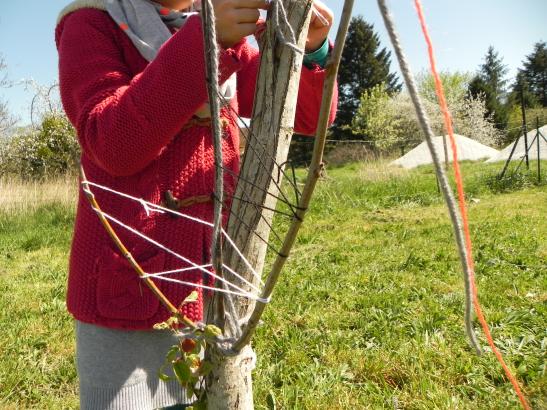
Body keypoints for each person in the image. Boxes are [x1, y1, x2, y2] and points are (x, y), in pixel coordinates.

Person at [55, 0, 337, 408]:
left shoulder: (234, 28)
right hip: (129, 291)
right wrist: (206, 40)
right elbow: (113, 144)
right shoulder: (91, 22)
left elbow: (308, 117)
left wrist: (310, 49)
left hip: (216, 283)